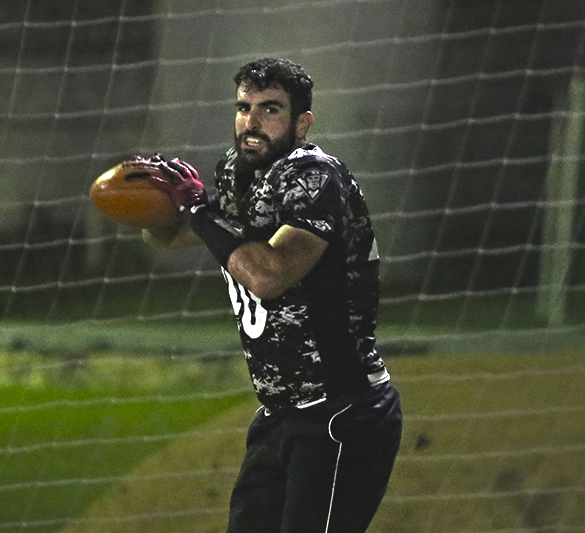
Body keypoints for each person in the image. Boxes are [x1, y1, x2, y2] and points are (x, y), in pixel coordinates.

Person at [140, 57, 402, 533]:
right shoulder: (238, 173)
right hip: (279, 416)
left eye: (270, 109)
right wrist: (154, 201)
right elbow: (170, 238)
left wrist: (198, 212)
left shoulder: (315, 176)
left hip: (339, 412)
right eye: (243, 108)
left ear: (302, 123)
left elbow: (269, 276)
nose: (251, 122)